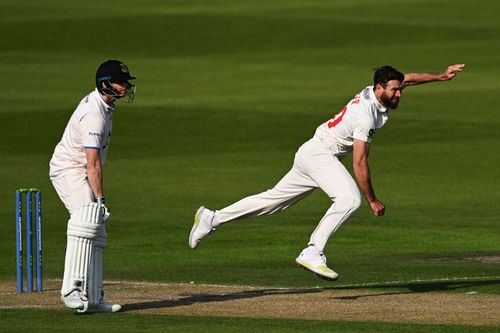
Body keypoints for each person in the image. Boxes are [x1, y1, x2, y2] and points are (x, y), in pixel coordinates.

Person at [189, 64, 465, 281]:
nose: (399, 93)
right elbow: (359, 163)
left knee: (272, 201)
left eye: (400, 89)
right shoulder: (365, 116)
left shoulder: (379, 89)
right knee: (350, 200)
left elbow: (409, 77)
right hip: (320, 155)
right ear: (379, 88)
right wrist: (371, 199)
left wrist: (440, 77)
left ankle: (212, 218)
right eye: (394, 90)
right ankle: (312, 251)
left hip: (312, 152)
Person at [49, 59, 136, 312]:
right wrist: (100, 200)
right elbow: (93, 165)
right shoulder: (93, 115)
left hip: (80, 169)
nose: (125, 87)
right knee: (86, 217)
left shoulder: (104, 106)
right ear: (106, 84)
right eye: (121, 83)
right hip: (68, 169)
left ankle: (94, 297)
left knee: (97, 230)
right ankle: (71, 290)